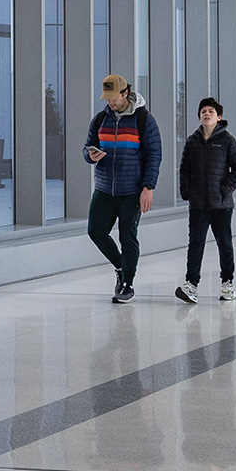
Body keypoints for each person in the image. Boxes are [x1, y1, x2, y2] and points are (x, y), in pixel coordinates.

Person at [85, 74, 162, 304]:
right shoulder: (100, 119)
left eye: (113, 98)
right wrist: (90, 154)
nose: (109, 102)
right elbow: (88, 146)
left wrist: (148, 187)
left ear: (125, 93)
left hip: (131, 190)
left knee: (127, 237)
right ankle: (120, 267)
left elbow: (154, 155)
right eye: (106, 98)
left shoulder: (144, 120)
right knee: (95, 232)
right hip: (104, 188)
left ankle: (127, 284)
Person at [175, 97, 236, 304]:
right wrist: (186, 191)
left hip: (221, 204)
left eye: (211, 112)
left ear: (219, 117)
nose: (206, 114)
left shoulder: (227, 141)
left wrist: (224, 189)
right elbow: (185, 169)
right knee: (195, 244)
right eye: (203, 111)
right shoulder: (192, 141)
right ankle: (191, 284)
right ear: (199, 116)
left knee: (224, 243)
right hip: (198, 204)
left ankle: (227, 283)